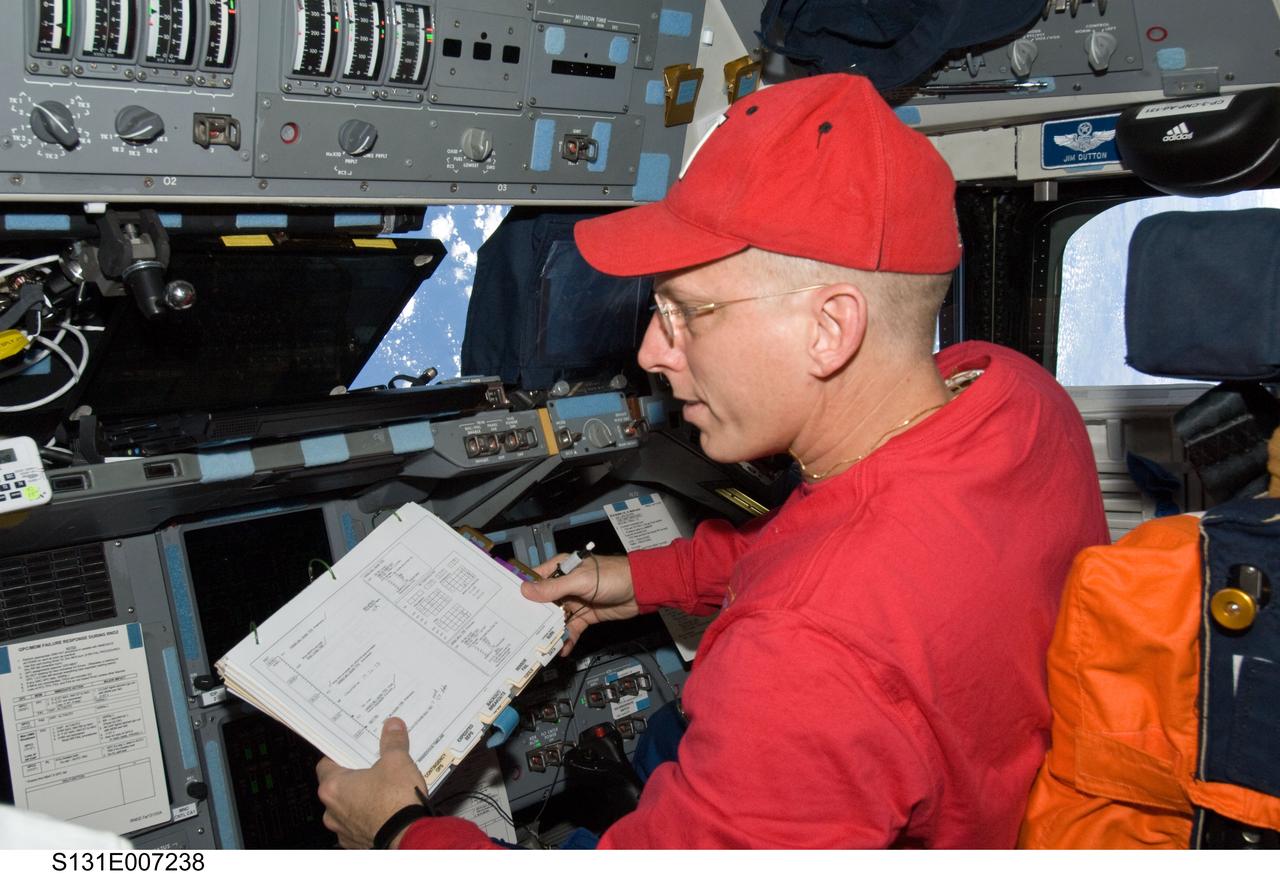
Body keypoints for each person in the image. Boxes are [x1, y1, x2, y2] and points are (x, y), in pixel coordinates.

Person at [315, 72, 1109, 849]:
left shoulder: (802, 658)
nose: (651, 353)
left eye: (687, 312)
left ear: (830, 330)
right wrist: (642, 580)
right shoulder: (1010, 395)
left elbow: (830, 610)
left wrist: (397, 830)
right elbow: (845, 548)